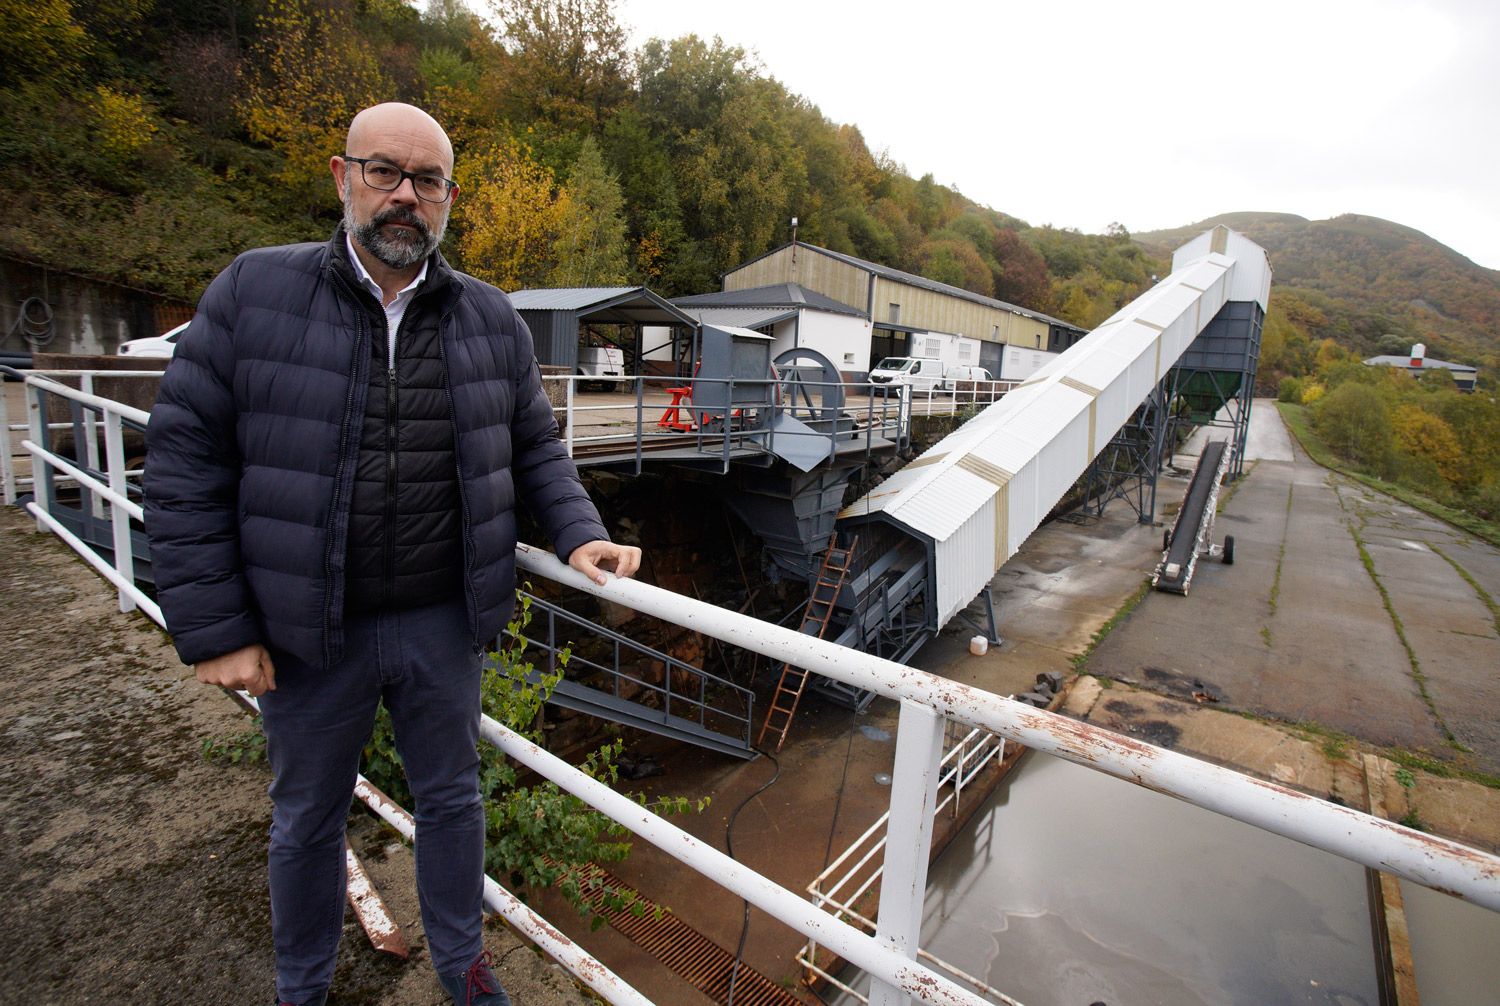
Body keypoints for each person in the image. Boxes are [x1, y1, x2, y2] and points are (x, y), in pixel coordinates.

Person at [145, 102, 641, 1006]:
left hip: (439, 620)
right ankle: (302, 987)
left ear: (449, 197)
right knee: (306, 816)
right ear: (344, 177)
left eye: (428, 180)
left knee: (452, 801)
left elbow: (533, 445)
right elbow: (184, 462)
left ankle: (464, 968)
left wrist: (578, 531)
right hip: (306, 627)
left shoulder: (488, 317)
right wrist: (216, 627)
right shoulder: (255, 291)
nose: (405, 195)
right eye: (385, 172)